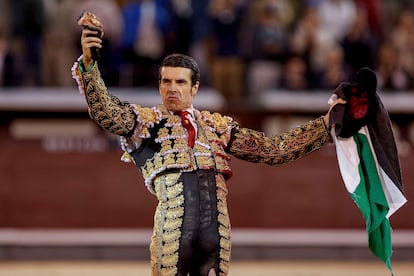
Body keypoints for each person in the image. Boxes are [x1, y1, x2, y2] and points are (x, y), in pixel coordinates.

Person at [71, 14, 342, 276]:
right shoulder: (146, 122)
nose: (172, 88)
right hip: (172, 233)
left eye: (180, 82)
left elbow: (273, 149)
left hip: (215, 235)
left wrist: (325, 124)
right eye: (166, 81)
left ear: (195, 88)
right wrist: (90, 63)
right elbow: (105, 112)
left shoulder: (217, 127)